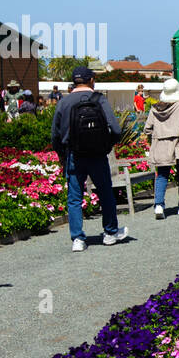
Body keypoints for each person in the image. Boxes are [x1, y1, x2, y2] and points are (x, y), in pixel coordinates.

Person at [51, 65, 127, 251]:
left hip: (74, 155)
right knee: (105, 193)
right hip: (98, 155)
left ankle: (78, 239)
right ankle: (110, 233)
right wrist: (107, 145)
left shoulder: (64, 102)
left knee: (75, 197)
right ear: (91, 80)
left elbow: (55, 134)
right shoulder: (99, 99)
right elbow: (116, 130)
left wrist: (62, 154)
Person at [144, 78, 179, 219]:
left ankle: (159, 206)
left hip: (161, 145)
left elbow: (147, 129)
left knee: (162, 176)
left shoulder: (154, 109)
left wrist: (157, 136)